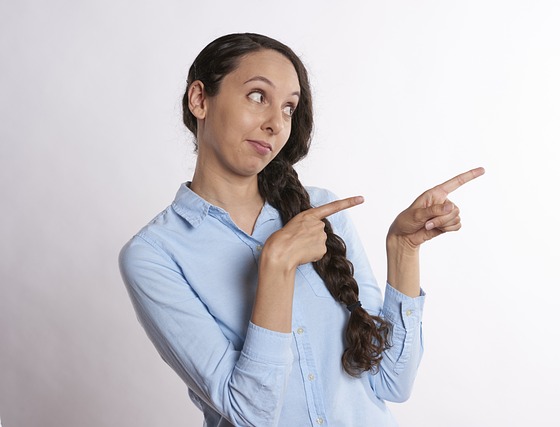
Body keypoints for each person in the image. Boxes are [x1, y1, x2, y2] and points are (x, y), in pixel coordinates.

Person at [119, 33, 484, 427]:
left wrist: (403, 248)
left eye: (289, 108)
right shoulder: (154, 255)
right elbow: (250, 413)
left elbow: (392, 381)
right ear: (199, 99)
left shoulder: (321, 213)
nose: (276, 123)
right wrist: (277, 265)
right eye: (257, 96)